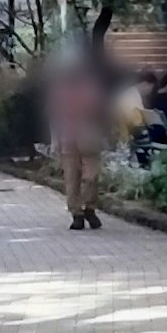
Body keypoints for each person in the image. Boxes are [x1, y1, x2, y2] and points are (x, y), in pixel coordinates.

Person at [46, 44, 113, 229]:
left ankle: (89, 207)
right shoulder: (58, 89)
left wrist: (106, 134)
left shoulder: (91, 87)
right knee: (71, 179)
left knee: (91, 177)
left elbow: (102, 112)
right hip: (67, 138)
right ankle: (76, 213)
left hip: (89, 136)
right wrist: (53, 141)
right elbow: (54, 115)